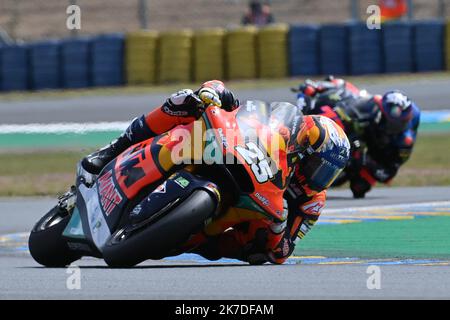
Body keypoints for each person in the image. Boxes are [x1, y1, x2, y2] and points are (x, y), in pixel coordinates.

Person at [81, 80, 350, 264]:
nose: (319, 178)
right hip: (232, 157)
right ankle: (113, 149)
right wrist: (217, 94)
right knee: (186, 100)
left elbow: (283, 251)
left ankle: (190, 239)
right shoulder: (281, 131)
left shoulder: (313, 201)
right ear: (303, 147)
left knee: (253, 251)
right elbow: (244, 112)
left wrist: (278, 230)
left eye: (329, 173)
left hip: (253, 210)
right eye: (319, 167)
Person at [294, 76, 421, 198]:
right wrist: (319, 87)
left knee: (359, 187)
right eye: (390, 121)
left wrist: (363, 157)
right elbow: (348, 88)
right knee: (334, 116)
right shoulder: (375, 105)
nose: (393, 126)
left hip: (376, 158)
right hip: (364, 136)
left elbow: (388, 173)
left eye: (398, 123)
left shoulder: (404, 141)